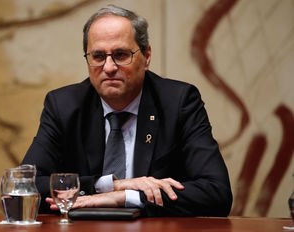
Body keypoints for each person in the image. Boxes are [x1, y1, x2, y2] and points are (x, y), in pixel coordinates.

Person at [21, 4, 233, 217]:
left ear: (147, 56)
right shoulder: (64, 106)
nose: (109, 67)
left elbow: (217, 193)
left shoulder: (178, 102)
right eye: (98, 56)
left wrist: (126, 197)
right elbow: (24, 188)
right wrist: (110, 186)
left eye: (121, 55)